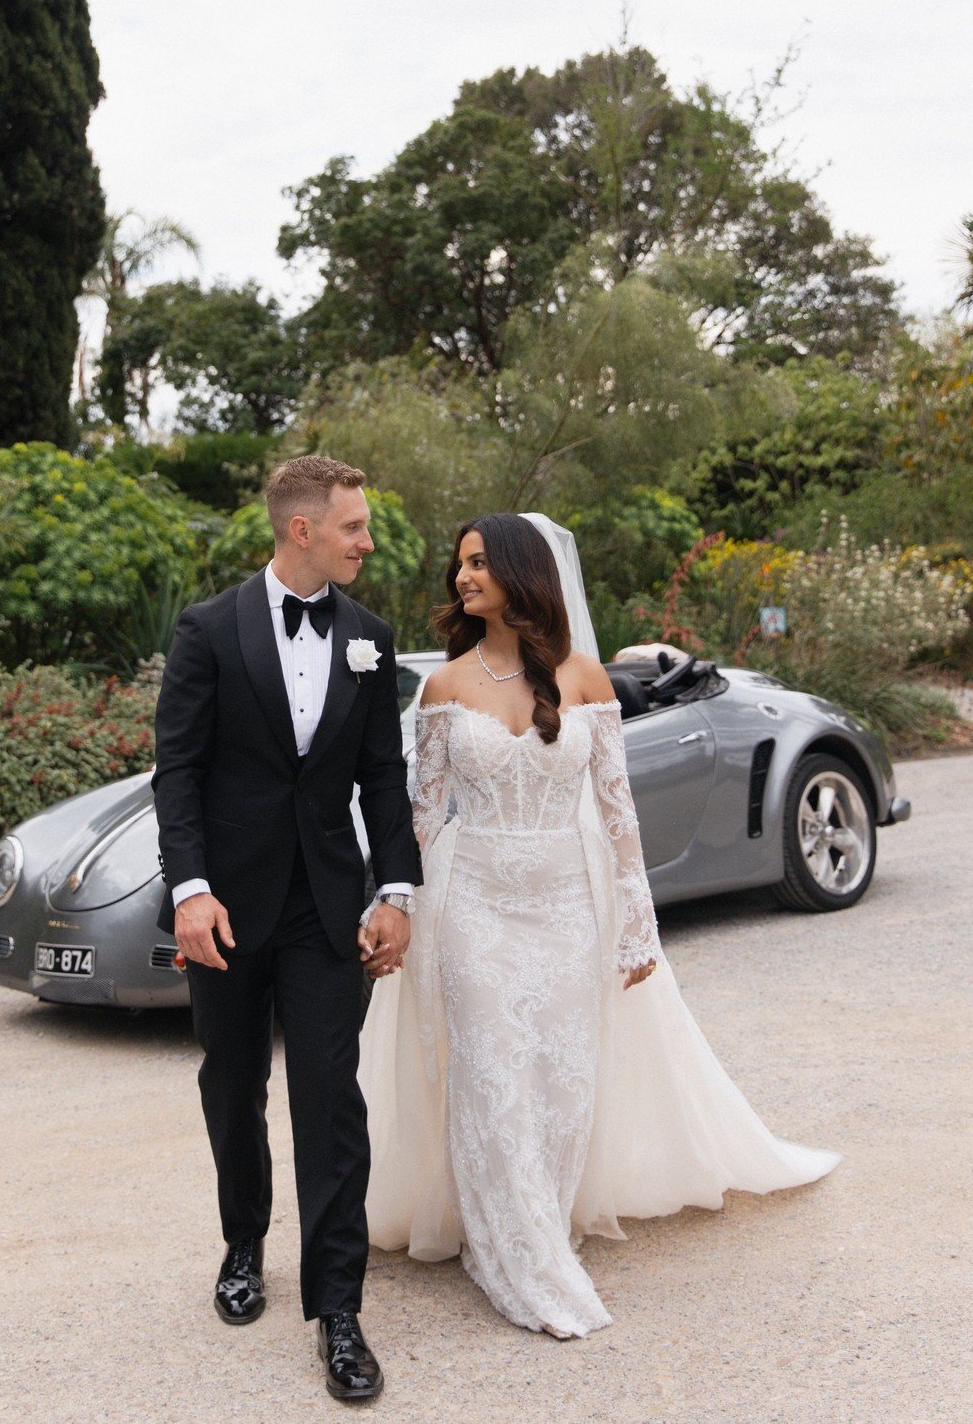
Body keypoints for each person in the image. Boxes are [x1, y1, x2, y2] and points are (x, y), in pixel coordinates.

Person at [359, 511, 838, 1338]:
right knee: (491, 1070)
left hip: (565, 903)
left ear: (520, 572)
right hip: (470, 901)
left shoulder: (585, 679)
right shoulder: (443, 689)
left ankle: (537, 1215)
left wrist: (635, 926)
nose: (462, 578)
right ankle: (517, 1250)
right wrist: (394, 902)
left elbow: (620, 818)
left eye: (478, 564)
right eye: (459, 566)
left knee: (559, 1074)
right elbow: (422, 816)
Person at [153, 455, 423, 1401]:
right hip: (224, 906)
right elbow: (176, 774)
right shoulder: (207, 630)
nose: (368, 541)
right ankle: (242, 1243)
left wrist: (396, 891)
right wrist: (189, 889)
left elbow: (384, 779)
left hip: (323, 904)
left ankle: (339, 1309)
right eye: (354, 526)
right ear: (301, 529)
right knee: (231, 1084)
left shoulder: (370, 638)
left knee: (328, 1095)